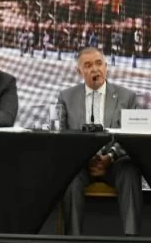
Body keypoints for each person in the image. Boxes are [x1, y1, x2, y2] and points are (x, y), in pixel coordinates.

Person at [57, 47, 142, 236]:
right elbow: (60, 135)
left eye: (99, 63)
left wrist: (110, 157)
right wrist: (84, 157)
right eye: (88, 65)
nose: (95, 69)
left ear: (106, 66)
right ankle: (73, 237)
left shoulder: (127, 97)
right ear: (79, 71)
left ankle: (132, 236)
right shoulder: (66, 97)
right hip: (81, 163)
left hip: (115, 162)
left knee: (130, 171)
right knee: (69, 177)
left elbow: (134, 135)